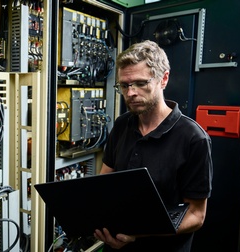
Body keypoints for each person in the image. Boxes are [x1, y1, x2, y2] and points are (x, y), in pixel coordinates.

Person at [94, 40, 213, 251]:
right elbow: (103, 184)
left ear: (163, 79)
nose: (130, 93)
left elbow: (196, 215)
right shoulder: (122, 124)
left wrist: (137, 233)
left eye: (140, 83)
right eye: (124, 85)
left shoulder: (193, 138)